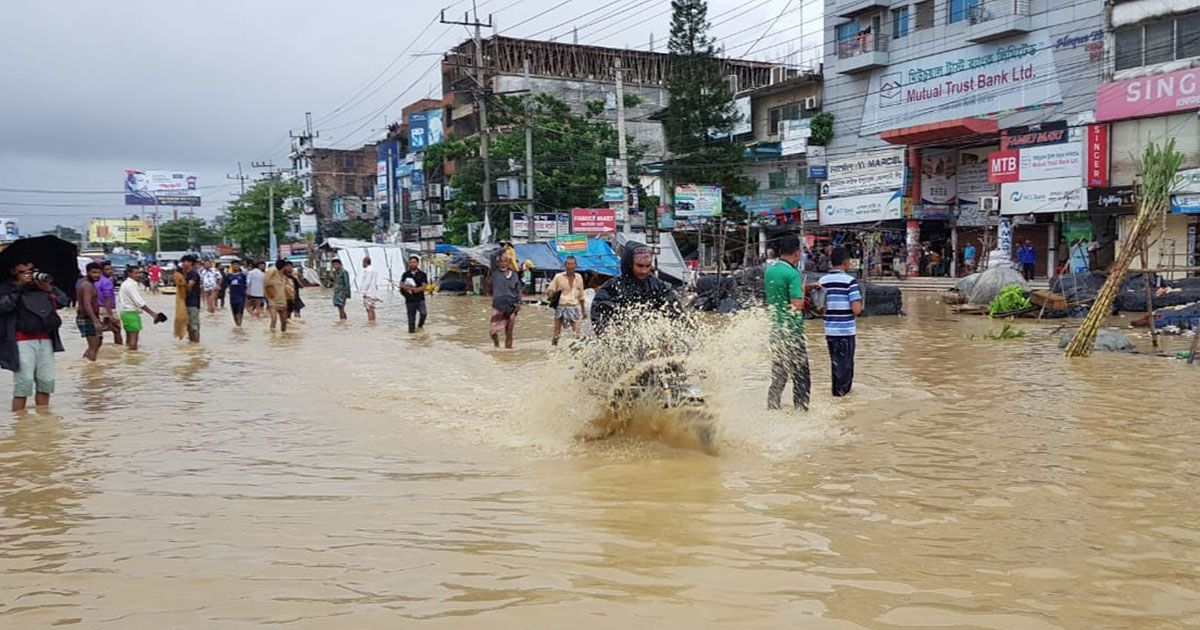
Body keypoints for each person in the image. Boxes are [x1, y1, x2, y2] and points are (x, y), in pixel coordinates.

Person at [0, 261, 68, 411]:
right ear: (13, 272)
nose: (28, 274)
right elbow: (3, 307)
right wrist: (18, 287)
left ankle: (42, 419)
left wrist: (49, 290)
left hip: (46, 340)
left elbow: (64, 301)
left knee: (46, 382)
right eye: (22, 271)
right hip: (20, 341)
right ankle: (19, 423)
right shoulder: (7, 288)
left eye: (30, 270)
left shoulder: (42, 284)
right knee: (23, 383)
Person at [590, 242, 681, 335]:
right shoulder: (612, 287)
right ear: (629, 264)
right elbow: (599, 314)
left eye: (647, 266)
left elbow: (675, 311)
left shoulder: (658, 286)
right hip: (623, 341)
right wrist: (606, 330)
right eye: (640, 266)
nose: (644, 271)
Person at [764, 235, 810, 412]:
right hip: (792, 332)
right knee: (801, 376)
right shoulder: (793, 273)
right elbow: (796, 305)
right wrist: (804, 290)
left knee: (779, 375)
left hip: (776, 330)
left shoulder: (770, 270)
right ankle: (801, 411)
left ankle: (772, 407)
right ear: (797, 253)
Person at [818, 247, 864, 398]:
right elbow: (856, 309)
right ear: (846, 263)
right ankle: (842, 398)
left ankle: (836, 394)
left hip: (829, 331)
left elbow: (818, 307)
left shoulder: (822, 281)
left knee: (836, 364)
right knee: (846, 366)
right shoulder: (850, 282)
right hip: (846, 331)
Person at [117, 265, 164, 351]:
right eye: (136, 273)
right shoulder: (130, 285)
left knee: (128, 340)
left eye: (139, 273)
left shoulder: (126, 284)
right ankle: (133, 360)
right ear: (129, 274)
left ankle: (128, 359)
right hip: (131, 314)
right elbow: (139, 302)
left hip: (125, 313)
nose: (138, 275)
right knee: (134, 342)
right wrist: (153, 314)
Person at [545, 255, 587, 346]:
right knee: (557, 334)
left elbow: (581, 296)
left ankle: (576, 352)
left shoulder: (579, 277)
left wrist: (584, 311)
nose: (570, 266)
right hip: (561, 306)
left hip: (574, 306)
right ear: (565, 265)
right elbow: (550, 289)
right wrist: (551, 293)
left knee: (576, 334)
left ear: (576, 265)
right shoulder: (558, 277)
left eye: (572, 264)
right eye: (568, 264)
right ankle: (553, 350)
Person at [489, 249, 524, 348]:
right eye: (501, 261)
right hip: (498, 307)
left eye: (505, 261)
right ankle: (496, 344)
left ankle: (508, 354)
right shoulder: (495, 272)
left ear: (509, 263)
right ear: (498, 262)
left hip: (511, 307)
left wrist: (519, 302)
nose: (503, 263)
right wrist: (502, 250)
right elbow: (492, 256)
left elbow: (518, 290)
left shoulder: (514, 275)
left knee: (509, 333)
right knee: (492, 331)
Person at [76, 262, 105, 361]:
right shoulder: (87, 285)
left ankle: (85, 364)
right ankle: (92, 371)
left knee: (97, 343)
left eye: (99, 272)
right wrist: (95, 321)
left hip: (91, 318)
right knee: (93, 347)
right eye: (94, 272)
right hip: (87, 318)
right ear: (88, 272)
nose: (97, 275)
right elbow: (87, 303)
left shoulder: (89, 284)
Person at [400, 255, 429, 334]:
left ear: (417, 263)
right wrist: (409, 288)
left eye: (414, 262)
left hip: (420, 299)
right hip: (409, 300)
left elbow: (424, 286)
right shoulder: (405, 274)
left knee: (423, 313)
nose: (412, 264)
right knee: (411, 320)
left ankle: (420, 326)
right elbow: (401, 285)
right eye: (411, 262)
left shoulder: (422, 274)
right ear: (409, 264)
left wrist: (416, 290)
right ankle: (412, 338)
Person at [97, 261, 123, 346]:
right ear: (101, 271)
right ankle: (119, 349)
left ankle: (98, 350)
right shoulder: (107, 282)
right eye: (107, 270)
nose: (111, 271)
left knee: (99, 332)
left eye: (111, 269)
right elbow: (107, 298)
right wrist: (110, 315)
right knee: (117, 329)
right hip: (107, 309)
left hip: (97, 308)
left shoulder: (95, 281)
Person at [264, 259, 292, 332]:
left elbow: (290, 288)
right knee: (274, 319)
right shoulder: (272, 273)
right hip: (273, 301)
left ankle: (283, 338)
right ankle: (273, 337)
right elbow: (266, 283)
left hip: (283, 301)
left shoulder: (284, 277)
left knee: (284, 322)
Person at [181, 254, 202, 343]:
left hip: (193, 302)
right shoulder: (185, 274)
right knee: (188, 326)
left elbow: (189, 287)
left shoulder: (194, 274)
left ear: (190, 263)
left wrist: (181, 285)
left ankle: (196, 344)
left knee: (194, 325)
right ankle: (192, 344)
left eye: (185, 262)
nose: (183, 264)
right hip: (185, 302)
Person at [225, 260, 248, 327]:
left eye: (237, 265)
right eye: (234, 265)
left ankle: (239, 325)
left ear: (239, 266)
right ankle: (237, 326)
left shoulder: (242, 275)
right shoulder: (229, 276)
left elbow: (246, 285)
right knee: (234, 313)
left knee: (239, 312)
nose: (235, 266)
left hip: (241, 296)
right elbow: (227, 285)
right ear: (231, 266)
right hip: (232, 297)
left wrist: (246, 295)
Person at [360, 256, 380, 323]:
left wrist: (363, 292)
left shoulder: (368, 271)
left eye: (362, 262)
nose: (362, 264)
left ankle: (370, 323)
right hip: (373, 293)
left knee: (368, 309)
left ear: (365, 262)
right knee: (372, 309)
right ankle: (373, 322)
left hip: (368, 293)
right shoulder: (374, 270)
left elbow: (367, 282)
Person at [172, 263, 188, 340]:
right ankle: (181, 334)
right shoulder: (179, 275)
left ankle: (180, 334)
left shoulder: (178, 275)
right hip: (182, 298)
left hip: (181, 298)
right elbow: (183, 284)